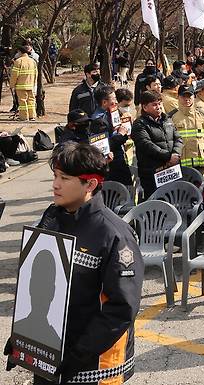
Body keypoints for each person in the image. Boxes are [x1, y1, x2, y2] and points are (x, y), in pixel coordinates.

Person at [4, 142, 144, 385]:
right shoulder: (52, 219)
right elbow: (36, 283)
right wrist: (24, 336)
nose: (55, 184)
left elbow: (121, 309)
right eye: (55, 176)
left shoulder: (114, 235)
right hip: (48, 355)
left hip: (93, 366)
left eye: (65, 178)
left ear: (90, 184)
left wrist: (76, 356)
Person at [131, 91, 183, 199]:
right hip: (152, 173)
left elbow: (178, 138)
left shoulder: (167, 119)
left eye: (159, 103)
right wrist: (168, 156)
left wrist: (175, 154)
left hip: (172, 170)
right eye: (154, 105)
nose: (158, 107)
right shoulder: (139, 124)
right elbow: (146, 144)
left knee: (174, 199)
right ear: (145, 107)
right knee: (157, 205)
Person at [12, 250, 61, 350]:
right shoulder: (18, 329)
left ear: (53, 292)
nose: (41, 294)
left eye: (46, 287)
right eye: (38, 284)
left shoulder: (56, 343)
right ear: (30, 287)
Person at [172, 85, 204, 174]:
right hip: (180, 166)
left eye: (189, 96)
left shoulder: (202, 115)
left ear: (194, 97)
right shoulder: (172, 117)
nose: (187, 99)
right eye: (183, 96)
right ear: (178, 97)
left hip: (201, 165)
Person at [90, 86, 132, 186]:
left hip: (119, 157)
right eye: (113, 99)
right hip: (111, 162)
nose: (116, 102)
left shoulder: (112, 112)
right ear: (104, 102)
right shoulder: (98, 120)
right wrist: (121, 134)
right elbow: (103, 146)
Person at [10, 45, 38, 121]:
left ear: (20, 52)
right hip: (31, 85)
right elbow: (36, 74)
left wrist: (12, 84)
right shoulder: (33, 61)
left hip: (21, 86)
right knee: (31, 101)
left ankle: (24, 117)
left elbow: (14, 75)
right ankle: (32, 116)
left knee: (22, 102)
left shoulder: (18, 61)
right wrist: (34, 84)